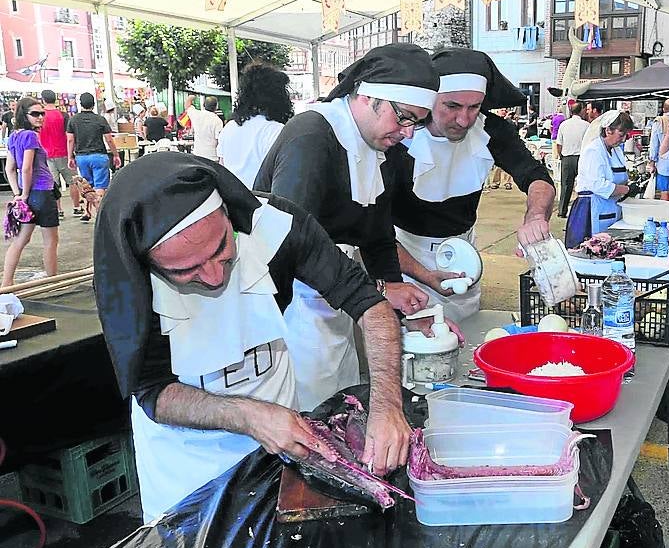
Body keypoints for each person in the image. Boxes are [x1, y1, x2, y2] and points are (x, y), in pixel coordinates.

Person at [93, 153, 411, 522]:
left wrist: (387, 406)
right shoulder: (126, 283)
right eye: (185, 270)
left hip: (278, 440)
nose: (214, 278)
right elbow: (152, 391)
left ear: (229, 215)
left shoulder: (278, 226)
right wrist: (249, 416)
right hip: (186, 462)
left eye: (221, 250)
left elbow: (369, 304)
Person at [254, 43, 439, 411]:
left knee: (344, 399)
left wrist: (396, 298)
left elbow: (377, 236)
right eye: (404, 117)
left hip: (337, 294)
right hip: (292, 302)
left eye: (417, 122)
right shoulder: (311, 136)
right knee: (310, 406)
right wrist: (377, 291)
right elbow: (291, 244)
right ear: (368, 97)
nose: (408, 133)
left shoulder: (379, 147)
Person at [390, 47, 555, 321]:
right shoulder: (399, 139)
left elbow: (537, 176)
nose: (464, 120)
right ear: (429, 99)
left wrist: (536, 215)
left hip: (464, 252)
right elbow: (372, 230)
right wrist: (424, 275)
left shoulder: (490, 130)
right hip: (405, 257)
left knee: (468, 329)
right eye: (452, 106)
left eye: (474, 107)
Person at [2, 97, 59, 287]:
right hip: (41, 192)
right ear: (24, 115)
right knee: (50, 239)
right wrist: (24, 194)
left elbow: (10, 168)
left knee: (20, 240)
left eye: (42, 113)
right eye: (35, 114)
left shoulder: (13, 136)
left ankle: (6, 283)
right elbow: (26, 168)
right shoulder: (30, 136)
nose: (40, 117)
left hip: (29, 194)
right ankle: (53, 281)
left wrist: (18, 193)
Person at [217, 61, 293, 189]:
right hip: (263, 199)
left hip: (234, 199)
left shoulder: (229, 128)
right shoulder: (275, 131)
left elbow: (222, 168)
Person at [565, 110, 633, 248]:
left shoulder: (616, 150)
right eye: (621, 134)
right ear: (608, 130)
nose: (623, 139)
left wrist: (628, 185)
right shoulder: (594, 150)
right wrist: (626, 189)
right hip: (591, 209)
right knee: (592, 247)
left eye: (626, 135)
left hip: (610, 207)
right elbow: (597, 184)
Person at [66, 92, 121, 218]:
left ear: (80, 104)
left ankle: (87, 212)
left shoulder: (73, 120)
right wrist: (116, 155)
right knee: (100, 186)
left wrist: (70, 157)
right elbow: (109, 139)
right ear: (93, 104)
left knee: (86, 185)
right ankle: (100, 213)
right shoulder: (100, 119)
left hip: (81, 157)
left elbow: (70, 140)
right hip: (99, 156)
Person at [39, 89, 81, 218]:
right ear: (55, 99)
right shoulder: (63, 115)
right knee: (73, 181)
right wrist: (71, 154)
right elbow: (69, 136)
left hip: (46, 154)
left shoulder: (40, 117)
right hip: (64, 152)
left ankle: (58, 210)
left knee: (52, 184)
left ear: (43, 100)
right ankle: (76, 207)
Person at [555, 101, 589, 218]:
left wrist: (561, 156)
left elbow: (559, 144)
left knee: (565, 186)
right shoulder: (586, 125)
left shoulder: (564, 125)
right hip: (581, 158)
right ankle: (581, 211)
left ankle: (562, 211)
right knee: (583, 185)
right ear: (581, 111)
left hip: (567, 158)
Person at [648, 99, 669, 199]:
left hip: (663, 164)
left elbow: (654, 145)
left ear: (663, 109)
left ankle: (665, 209)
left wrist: (652, 163)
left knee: (664, 192)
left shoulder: (658, 122)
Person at [184, 94, 223, 161]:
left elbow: (187, 106)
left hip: (198, 155)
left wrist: (191, 97)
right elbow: (219, 140)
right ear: (216, 107)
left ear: (204, 105)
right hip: (212, 156)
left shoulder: (196, 115)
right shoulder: (218, 121)